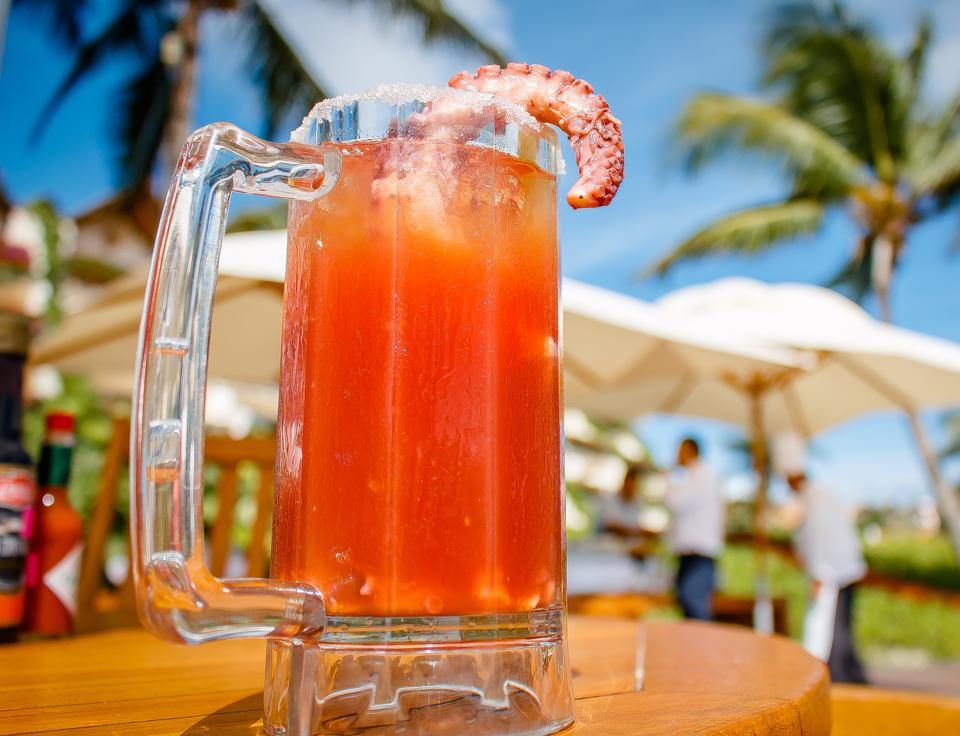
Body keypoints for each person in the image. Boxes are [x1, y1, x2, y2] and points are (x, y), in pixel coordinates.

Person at [772, 432, 867, 684]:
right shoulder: (818, 495)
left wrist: (818, 575)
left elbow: (819, 540)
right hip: (842, 570)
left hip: (833, 572)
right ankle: (848, 677)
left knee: (831, 634)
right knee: (840, 630)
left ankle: (841, 683)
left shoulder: (814, 499)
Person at [664, 437, 725, 620]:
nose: (677, 456)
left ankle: (702, 648)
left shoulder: (701, 476)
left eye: (680, 451)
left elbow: (675, 502)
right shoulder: (699, 476)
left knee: (695, 609)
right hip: (695, 554)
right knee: (690, 609)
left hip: (698, 555)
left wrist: (668, 475)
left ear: (689, 451)